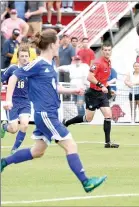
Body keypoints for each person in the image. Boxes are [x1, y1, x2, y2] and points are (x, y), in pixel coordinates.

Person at [0, 29, 107, 193]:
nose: (59, 44)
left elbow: (53, 88)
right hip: (46, 114)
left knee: (37, 151)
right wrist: (7, 100)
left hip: (48, 113)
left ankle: (4, 162)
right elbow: (14, 76)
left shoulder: (49, 66)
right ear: (51, 45)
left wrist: (72, 91)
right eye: (57, 42)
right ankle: (86, 182)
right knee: (70, 145)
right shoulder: (38, 63)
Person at [63, 42, 119, 148]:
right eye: (105, 50)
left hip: (101, 94)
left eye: (109, 50)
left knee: (108, 115)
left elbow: (103, 79)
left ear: (111, 51)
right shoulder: (97, 63)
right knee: (88, 119)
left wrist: (109, 89)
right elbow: (89, 77)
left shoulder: (109, 63)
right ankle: (66, 122)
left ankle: (107, 143)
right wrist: (101, 85)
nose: (107, 52)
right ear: (102, 51)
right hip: (92, 94)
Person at [0, 46, 31, 155]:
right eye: (22, 56)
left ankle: (15, 149)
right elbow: (1, 80)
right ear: (18, 58)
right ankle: (4, 126)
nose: (24, 58)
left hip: (25, 102)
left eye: (26, 56)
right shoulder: (12, 68)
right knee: (13, 129)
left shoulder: (31, 70)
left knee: (25, 125)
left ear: (29, 57)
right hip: (12, 101)